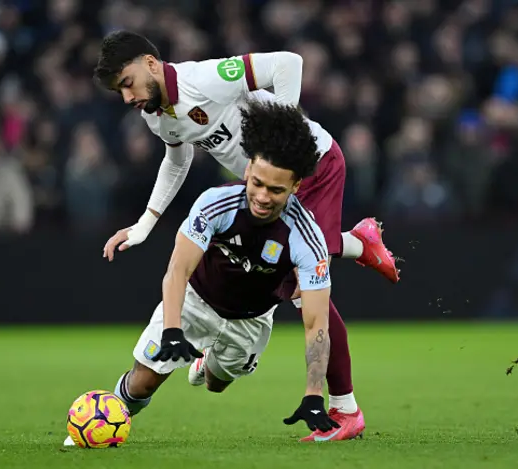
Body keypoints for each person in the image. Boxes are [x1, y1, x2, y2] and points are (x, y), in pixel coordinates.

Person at [95, 30, 393, 440]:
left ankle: (345, 409)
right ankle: (358, 243)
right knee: (300, 267)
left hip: (314, 167)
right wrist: (145, 224)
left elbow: (288, 63)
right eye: (118, 91)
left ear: (150, 63)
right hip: (266, 188)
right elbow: (177, 159)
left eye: (126, 83)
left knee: (298, 284)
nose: (127, 97)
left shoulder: (204, 78)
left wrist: (282, 145)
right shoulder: (156, 114)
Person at [65, 100, 344, 446]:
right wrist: (171, 330)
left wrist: (314, 394)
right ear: (246, 172)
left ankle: (205, 365)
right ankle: (104, 420)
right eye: (257, 183)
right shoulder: (215, 204)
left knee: (215, 383)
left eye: (275, 190)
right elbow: (177, 271)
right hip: (195, 302)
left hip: (252, 320)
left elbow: (317, 325)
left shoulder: (307, 236)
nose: (262, 196)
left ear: (296, 187)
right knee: (144, 382)